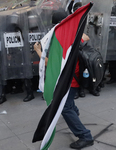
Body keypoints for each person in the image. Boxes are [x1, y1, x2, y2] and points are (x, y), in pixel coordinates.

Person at [33, 11, 94, 149]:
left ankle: (85, 136)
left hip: (70, 80)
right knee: (69, 103)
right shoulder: (74, 34)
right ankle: (75, 112)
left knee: (65, 107)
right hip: (77, 77)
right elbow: (86, 37)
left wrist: (38, 51)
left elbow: (51, 63)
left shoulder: (63, 40)